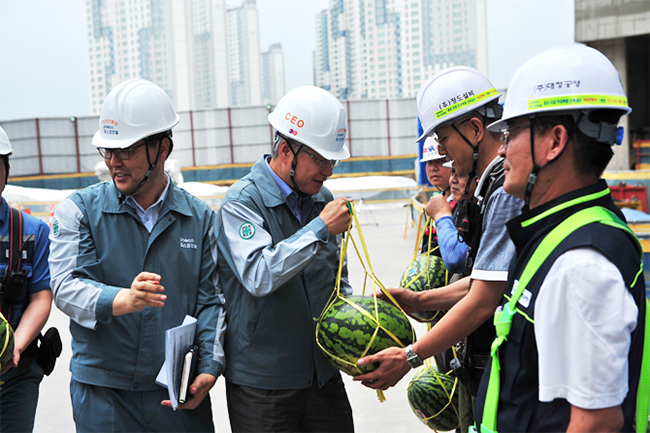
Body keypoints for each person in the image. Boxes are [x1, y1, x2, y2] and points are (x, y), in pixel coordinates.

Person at [473, 44, 647, 432]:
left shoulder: (581, 263)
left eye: (511, 133)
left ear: (554, 141)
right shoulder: (563, 232)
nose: (501, 151)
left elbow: (595, 423)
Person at [48, 79, 225, 432]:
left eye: (125, 151)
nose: (114, 163)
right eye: (107, 152)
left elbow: (212, 302)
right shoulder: (79, 211)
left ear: (162, 149)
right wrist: (123, 299)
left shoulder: (201, 219)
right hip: (102, 395)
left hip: (174, 395)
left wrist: (209, 367)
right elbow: (65, 286)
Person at [354, 66, 523, 433]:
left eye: (444, 139)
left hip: (507, 366)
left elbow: (483, 298)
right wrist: (420, 300)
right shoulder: (488, 188)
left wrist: (410, 357)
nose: (443, 153)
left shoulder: (505, 193)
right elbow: (486, 279)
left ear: (476, 130)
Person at [217, 85, 355, 432]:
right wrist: (319, 228)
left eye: (333, 160)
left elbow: (338, 277)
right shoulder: (241, 203)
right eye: (321, 160)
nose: (329, 170)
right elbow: (259, 274)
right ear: (285, 150)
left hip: (322, 375)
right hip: (264, 384)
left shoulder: (321, 197)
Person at [0, 126, 53, 433]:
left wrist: (13, 348)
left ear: (6, 169)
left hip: (15, 373)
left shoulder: (32, 232)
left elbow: (41, 297)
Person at [419, 137, 452, 256]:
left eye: (440, 161)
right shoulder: (436, 201)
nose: (434, 168)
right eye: (429, 162)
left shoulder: (463, 203)